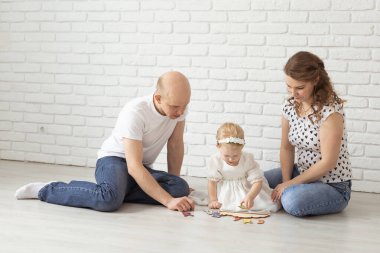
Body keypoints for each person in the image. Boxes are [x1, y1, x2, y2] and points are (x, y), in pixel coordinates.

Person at [15, 71, 195, 212]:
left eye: (184, 105)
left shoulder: (179, 110)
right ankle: (47, 190)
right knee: (108, 200)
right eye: (175, 107)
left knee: (180, 187)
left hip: (140, 166)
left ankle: (119, 189)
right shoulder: (135, 112)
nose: (180, 112)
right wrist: (168, 200)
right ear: (158, 98)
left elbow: (175, 144)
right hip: (113, 160)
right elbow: (133, 166)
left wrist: (174, 181)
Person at [264, 51, 352, 217]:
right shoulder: (289, 106)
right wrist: (285, 181)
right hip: (301, 172)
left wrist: (289, 186)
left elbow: (328, 162)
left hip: (332, 185)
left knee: (291, 201)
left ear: (315, 80)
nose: (292, 93)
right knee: (254, 180)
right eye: (288, 86)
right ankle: (286, 192)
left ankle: (287, 196)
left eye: (299, 88)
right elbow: (286, 147)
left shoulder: (330, 113)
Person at [207, 122, 280, 212]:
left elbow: (257, 182)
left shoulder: (247, 159)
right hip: (226, 191)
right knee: (225, 205)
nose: (230, 159)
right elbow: (212, 183)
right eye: (226, 156)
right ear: (218, 146)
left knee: (264, 203)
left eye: (235, 155)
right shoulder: (215, 160)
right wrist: (213, 200)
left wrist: (250, 196)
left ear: (242, 147)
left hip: (247, 189)